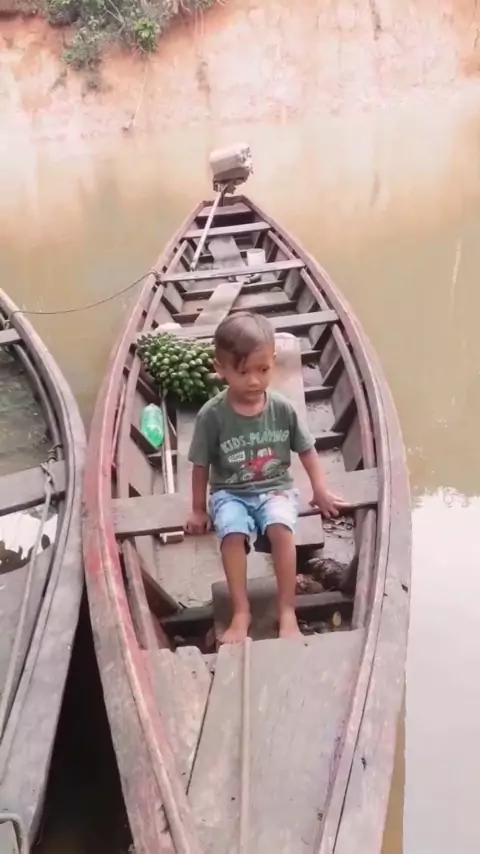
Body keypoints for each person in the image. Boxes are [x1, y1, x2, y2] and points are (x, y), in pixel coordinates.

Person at [185, 311, 345, 642]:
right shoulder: (211, 416)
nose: (254, 381)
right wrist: (198, 509)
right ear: (221, 368)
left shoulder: (282, 409)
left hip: (275, 488)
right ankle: (241, 611)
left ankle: (287, 610)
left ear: (273, 360)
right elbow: (200, 466)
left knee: (280, 528)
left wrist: (320, 490)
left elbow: (307, 450)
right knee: (232, 533)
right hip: (230, 491)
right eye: (243, 372)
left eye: (263, 370)